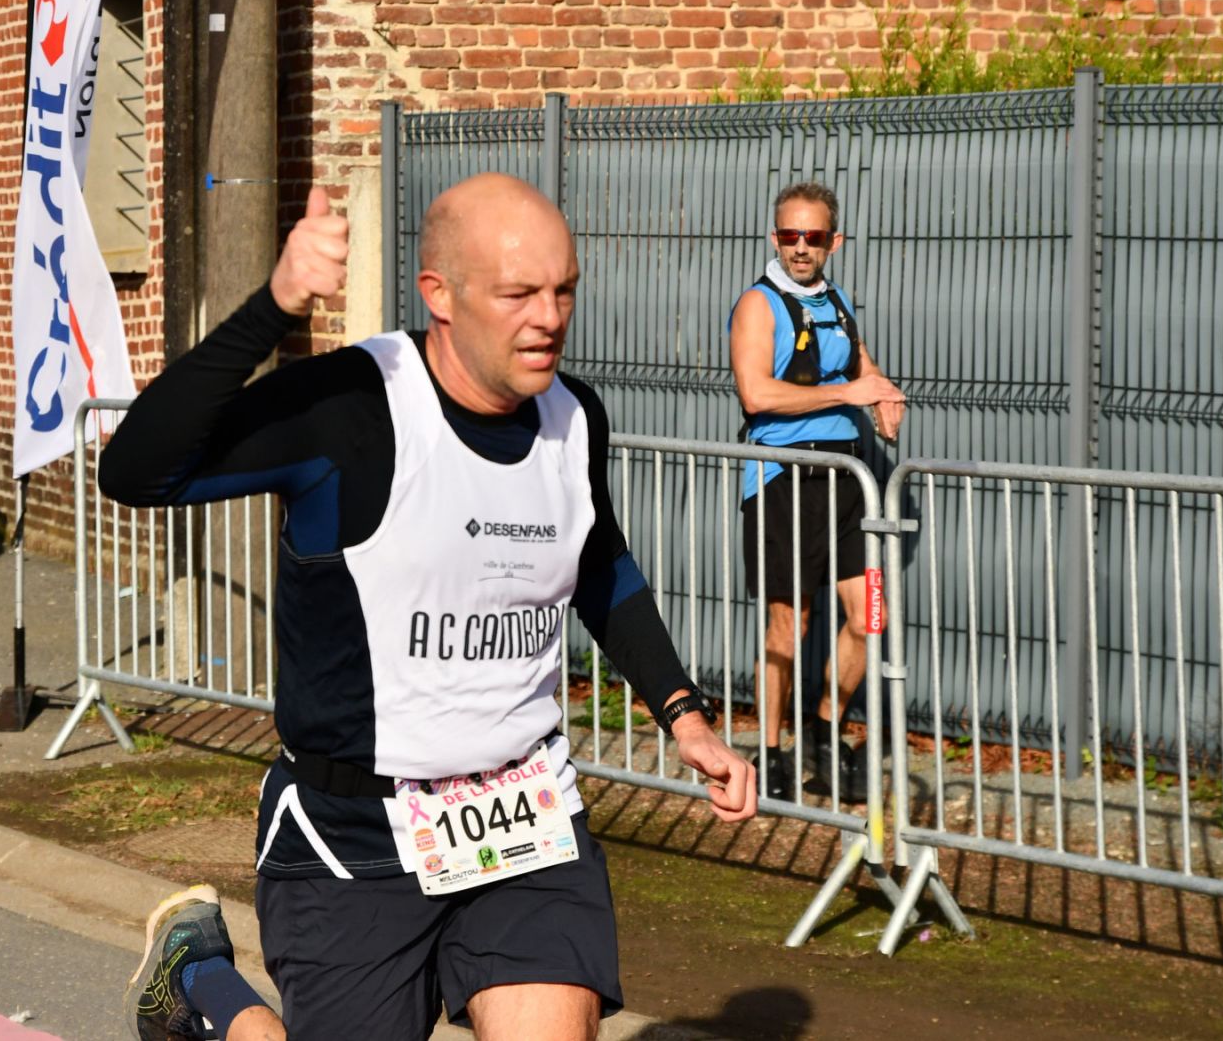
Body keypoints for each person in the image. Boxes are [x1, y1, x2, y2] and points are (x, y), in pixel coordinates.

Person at [103, 174, 758, 1041]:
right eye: (519, 293)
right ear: (439, 294)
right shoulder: (352, 407)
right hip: (354, 834)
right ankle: (201, 984)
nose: (550, 317)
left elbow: (598, 560)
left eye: (564, 290)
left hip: (523, 816)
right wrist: (276, 304)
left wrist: (684, 714)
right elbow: (136, 471)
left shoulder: (573, 417)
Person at [727, 182, 904, 805]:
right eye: (790, 235)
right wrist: (849, 394)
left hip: (846, 476)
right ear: (774, 237)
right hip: (783, 477)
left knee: (870, 616)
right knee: (789, 621)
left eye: (814, 236)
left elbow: (862, 368)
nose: (801, 247)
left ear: (835, 241)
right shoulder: (759, 304)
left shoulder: (838, 300)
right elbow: (756, 394)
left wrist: (883, 395)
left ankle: (826, 735)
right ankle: (771, 750)